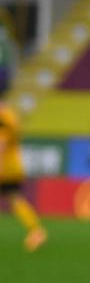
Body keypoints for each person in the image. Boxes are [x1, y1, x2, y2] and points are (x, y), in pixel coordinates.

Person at [0, 84, 45, 252]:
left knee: (14, 198)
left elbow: (2, 143)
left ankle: (36, 230)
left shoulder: (3, 116)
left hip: (5, 167)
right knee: (15, 198)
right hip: (12, 165)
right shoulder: (10, 114)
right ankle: (36, 230)